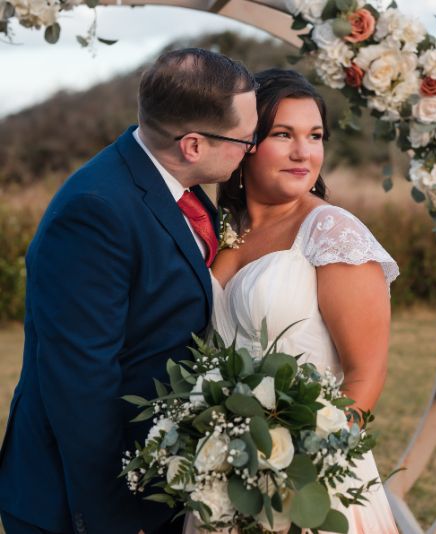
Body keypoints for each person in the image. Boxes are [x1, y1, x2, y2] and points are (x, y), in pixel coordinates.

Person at [0, 48, 257, 534]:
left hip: (152, 480)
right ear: (193, 145)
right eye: (247, 138)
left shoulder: (174, 183)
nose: (253, 148)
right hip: (76, 501)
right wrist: (112, 516)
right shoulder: (96, 211)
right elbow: (80, 382)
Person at [200, 68, 400, 533]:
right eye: (283, 134)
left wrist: (301, 474)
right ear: (245, 143)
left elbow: (365, 375)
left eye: (314, 136)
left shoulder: (332, 233)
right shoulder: (220, 232)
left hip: (310, 481)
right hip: (224, 472)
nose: (303, 153)